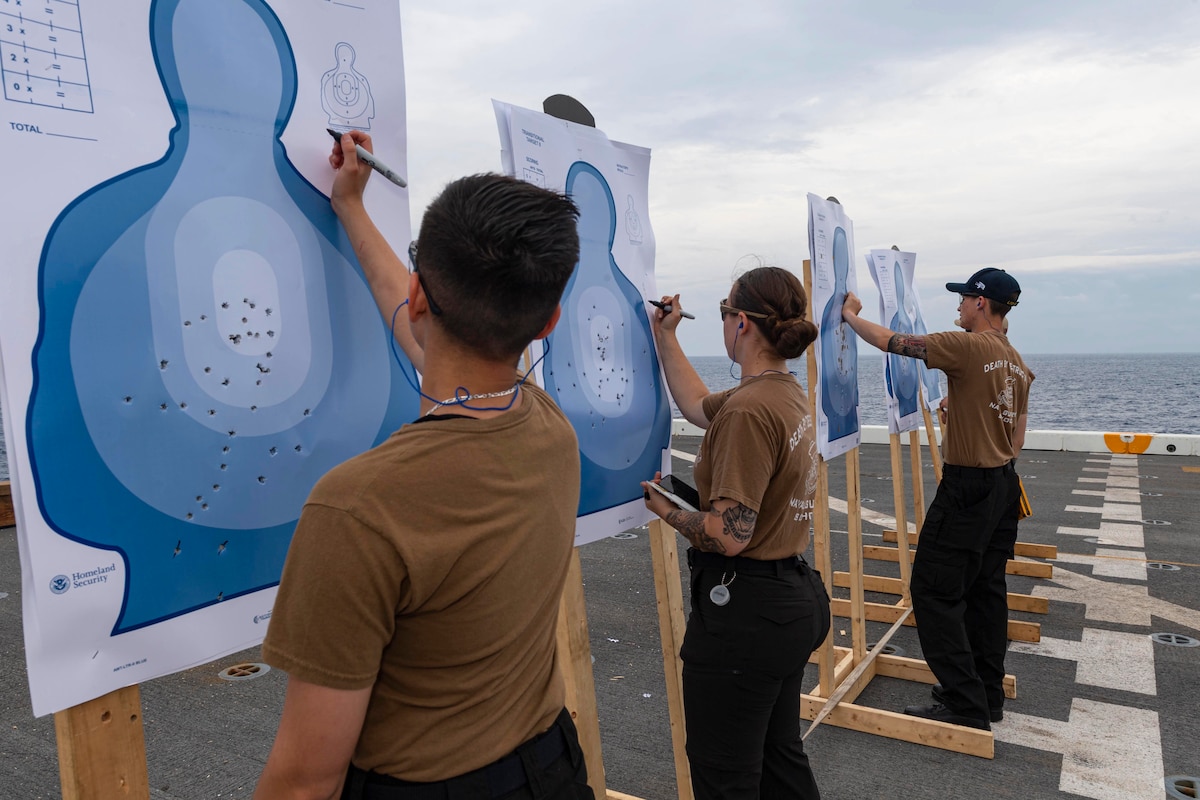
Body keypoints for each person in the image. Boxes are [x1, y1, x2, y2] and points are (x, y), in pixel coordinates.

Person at [255, 131, 594, 800]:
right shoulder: (549, 428)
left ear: (420, 296)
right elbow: (423, 331)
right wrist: (351, 207)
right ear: (549, 321)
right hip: (551, 767)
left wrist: (360, 211)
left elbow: (304, 780)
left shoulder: (359, 507)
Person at [642, 266, 831, 800]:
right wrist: (666, 335)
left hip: (748, 616)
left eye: (725, 312)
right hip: (788, 600)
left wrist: (669, 511)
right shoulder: (783, 392)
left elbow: (728, 536)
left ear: (741, 322)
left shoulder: (748, 410)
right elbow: (697, 405)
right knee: (777, 759)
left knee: (725, 775)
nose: (723, 322)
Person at [841, 267, 1033, 730]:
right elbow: (1016, 438)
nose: (960, 306)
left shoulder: (966, 346)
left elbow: (895, 342)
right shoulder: (1016, 361)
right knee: (986, 590)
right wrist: (961, 418)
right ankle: (987, 696)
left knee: (933, 589)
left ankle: (963, 701)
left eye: (965, 299)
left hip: (968, 487)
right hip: (1003, 485)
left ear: (982, 303)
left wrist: (849, 317)